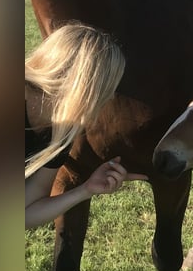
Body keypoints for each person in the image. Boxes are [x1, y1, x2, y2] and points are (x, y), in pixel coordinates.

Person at [25, 23, 147, 229]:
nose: (107, 98)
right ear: (88, 86)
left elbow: (24, 214)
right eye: (108, 87)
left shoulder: (61, 133)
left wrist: (86, 190)